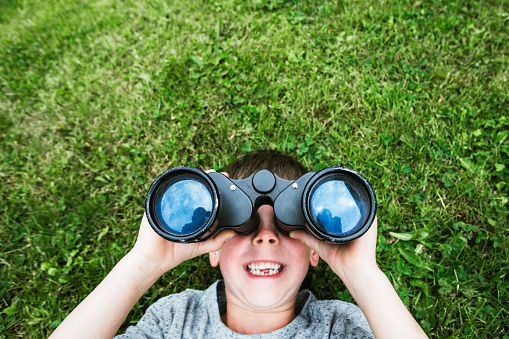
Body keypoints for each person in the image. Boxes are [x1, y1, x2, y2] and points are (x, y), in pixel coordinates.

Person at [49, 150, 428, 338]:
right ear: (212, 245)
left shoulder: (339, 326)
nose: (265, 236)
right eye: (242, 227)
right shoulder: (175, 319)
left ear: (316, 250)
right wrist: (145, 261)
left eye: (287, 226)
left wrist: (361, 272)